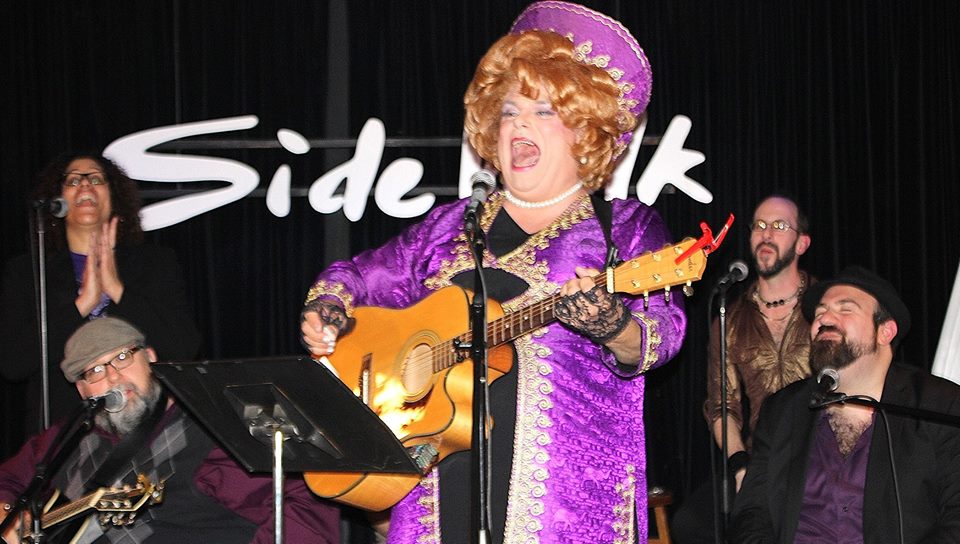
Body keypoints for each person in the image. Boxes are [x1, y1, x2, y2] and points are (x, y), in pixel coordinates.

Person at [300, 2, 687, 542]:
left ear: (585, 132)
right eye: (508, 111)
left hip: (566, 497)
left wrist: (612, 325)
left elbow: (662, 332)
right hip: (436, 488)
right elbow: (357, 277)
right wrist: (327, 309)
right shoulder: (446, 228)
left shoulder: (622, 228)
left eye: (544, 111)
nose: (519, 123)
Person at [0, 317, 340, 543]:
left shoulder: (211, 431)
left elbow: (306, 509)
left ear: (150, 358)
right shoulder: (67, 437)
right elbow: (9, 480)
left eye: (123, 358)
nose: (113, 377)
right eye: (95, 371)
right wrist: (7, 512)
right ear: (82, 390)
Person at [729, 266, 960, 542]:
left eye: (846, 309)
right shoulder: (783, 409)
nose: (824, 318)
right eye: (819, 313)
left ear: (885, 332)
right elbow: (752, 511)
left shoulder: (939, 406)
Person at [0, 153, 201, 438]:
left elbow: (183, 349)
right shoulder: (28, 272)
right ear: (56, 201)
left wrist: (117, 289)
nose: (85, 185)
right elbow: (13, 363)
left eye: (96, 179)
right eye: (73, 181)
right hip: (66, 430)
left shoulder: (155, 263)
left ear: (114, 197)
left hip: (148, 427)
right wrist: (82, 304)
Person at [673, 195, 813, 542]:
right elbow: (722, 405)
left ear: (802, 243)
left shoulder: (824, 307)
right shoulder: (730, 317)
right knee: (691, 524)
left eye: (779, 225)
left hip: (817, 456)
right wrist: (739, 465)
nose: (766, 233)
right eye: (759, 225)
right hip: (760, 460)